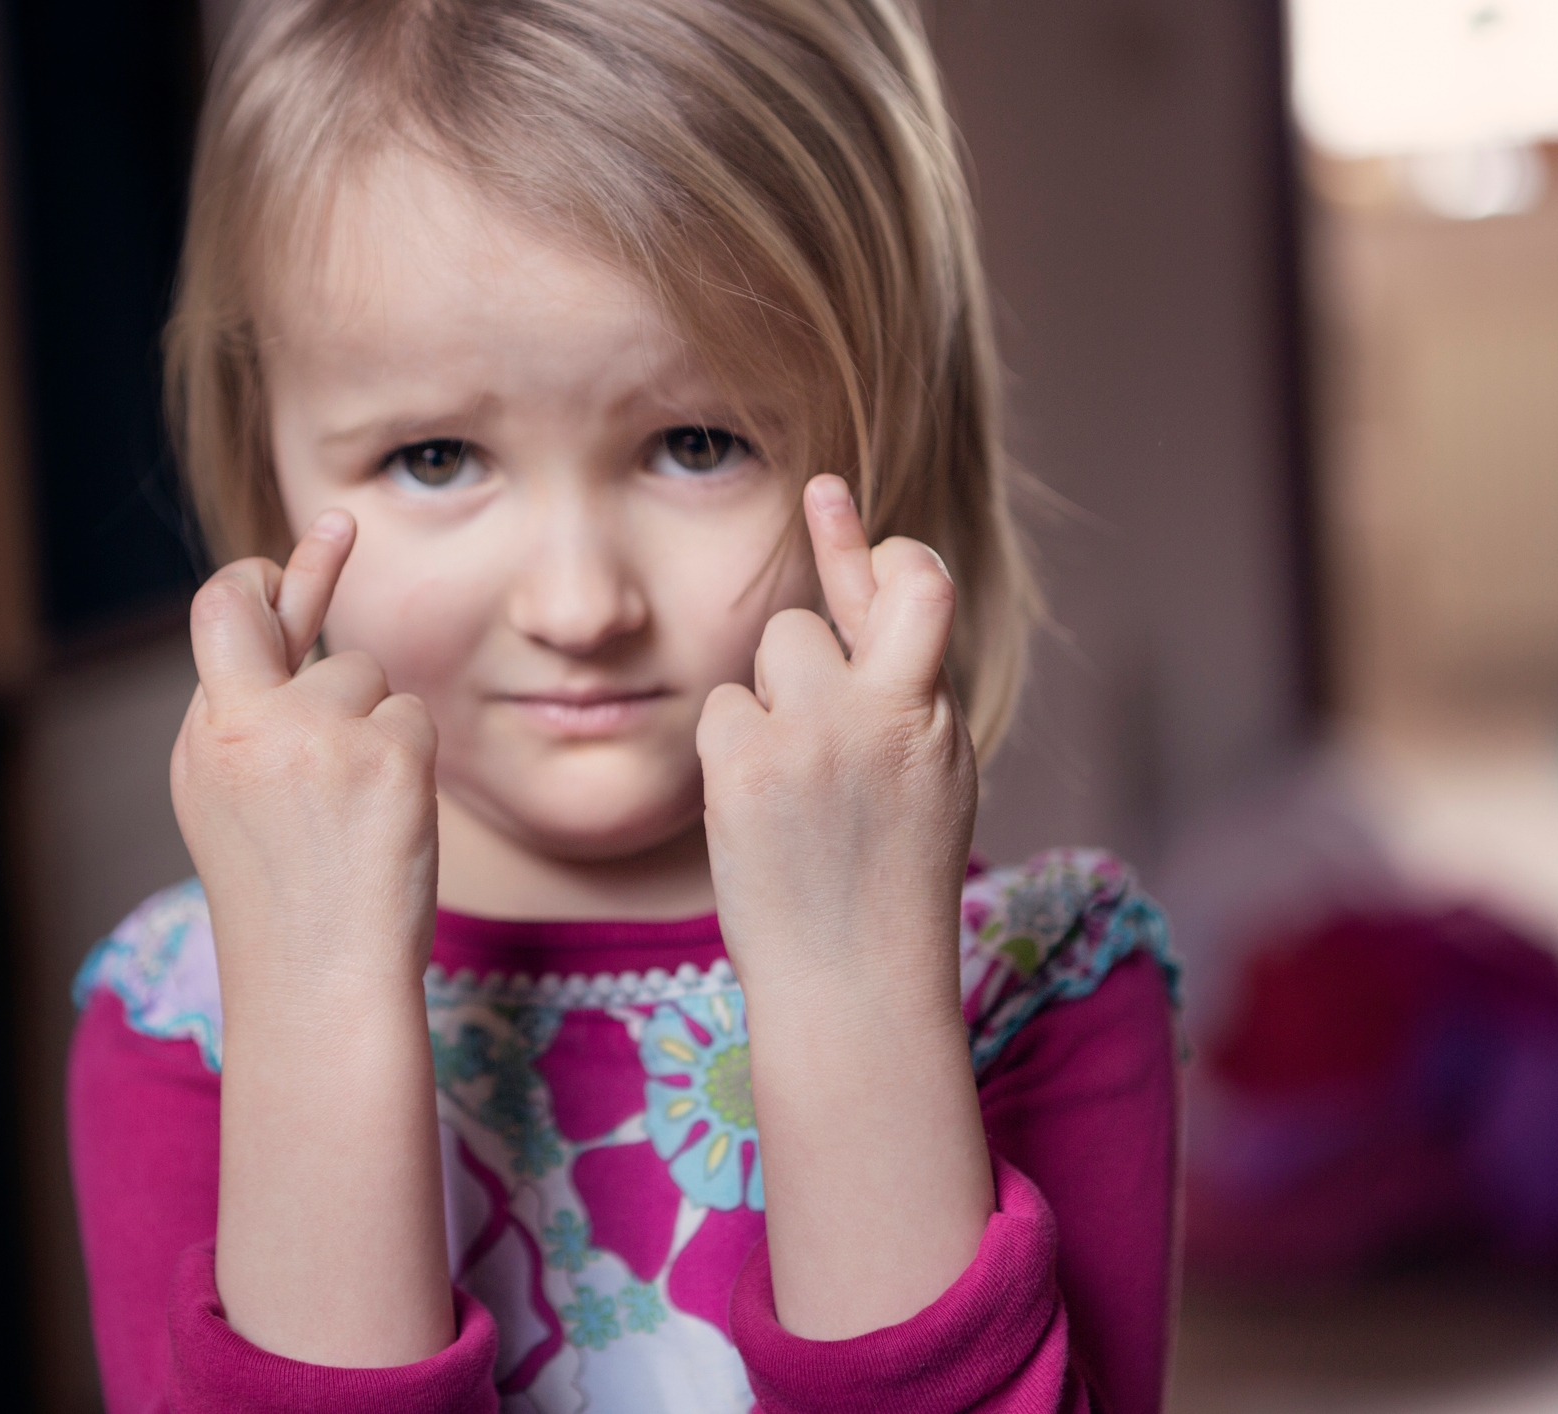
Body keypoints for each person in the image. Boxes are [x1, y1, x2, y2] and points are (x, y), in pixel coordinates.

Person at [68, 2, 1180, 1409]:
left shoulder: (1037, 984)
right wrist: (319, 1006)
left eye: (697, 443)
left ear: (894, 427)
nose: (579, 605)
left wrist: (849, 986)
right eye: (433, 457)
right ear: (263, 453)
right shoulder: (191, 1019)